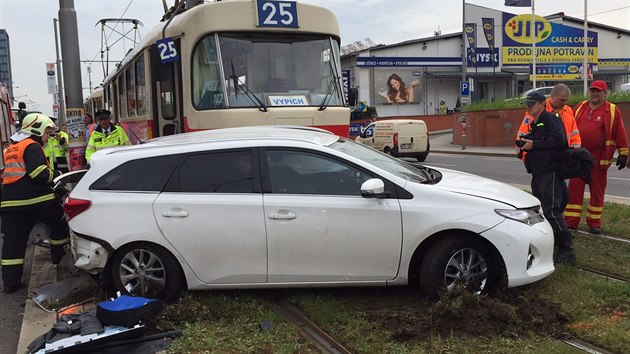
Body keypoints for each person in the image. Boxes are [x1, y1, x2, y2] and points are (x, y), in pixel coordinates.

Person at [1, 113, 69, 293]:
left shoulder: (12, 148)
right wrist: (57, 178)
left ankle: (11, 283)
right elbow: (39, 174)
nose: (48, 137)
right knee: (59, 219)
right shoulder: (32, 146)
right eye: (47, 133)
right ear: (37, 129)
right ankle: (60, 261)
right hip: (35, 200)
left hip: (10, 203)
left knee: (13, 243)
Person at [518, 91, 576, 264]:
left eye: (532, 104)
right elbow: (541, 141)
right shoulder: (535, 121)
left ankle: (566, 249)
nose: (528, 107)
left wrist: (534, 144)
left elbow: (559, 140)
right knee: (542, 209)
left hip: (549, 172)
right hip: (539, 172)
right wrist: (525, 144)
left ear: (542, 104)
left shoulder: (550, 119)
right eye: (527, 104)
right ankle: (550, 242)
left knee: (551, 210)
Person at [565, 80, 628, 234]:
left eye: (598, 91)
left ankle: (594, 223)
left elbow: (620, 131)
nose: (595, 93)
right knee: (574, 190)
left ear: (605, 93)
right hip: (578, 157)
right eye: (593, 91)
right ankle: (571, 222)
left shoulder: (612, 110)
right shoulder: (580, 107)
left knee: (597, 191)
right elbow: (568, 126)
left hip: (599, 158)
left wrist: (623, 152)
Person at [516, 84, 581, 209]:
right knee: (548, 201)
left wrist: (573, 156)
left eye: (567, 100)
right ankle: (551, 225)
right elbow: (523, 136)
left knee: (562, 197)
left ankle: (552, 223)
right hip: (545, 164)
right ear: (552, 97)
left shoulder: (568, 111)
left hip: (560, 161)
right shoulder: (537, 110)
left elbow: (574, 135)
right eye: (562, 100)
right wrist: (530, 160)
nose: (565, 103)